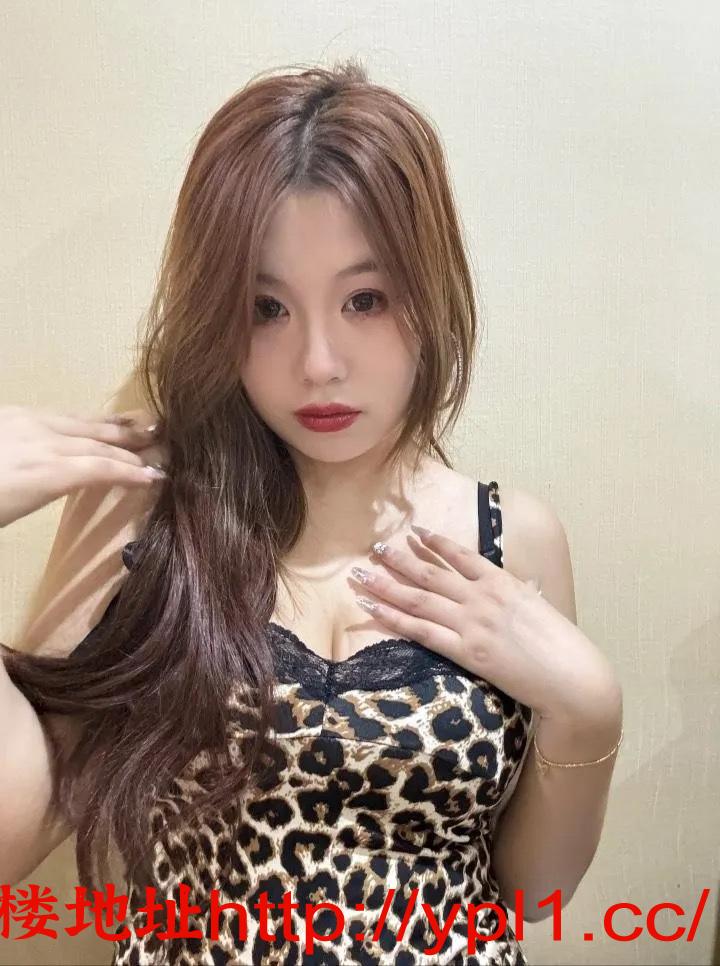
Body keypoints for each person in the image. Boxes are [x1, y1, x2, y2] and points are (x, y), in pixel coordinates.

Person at [0, 59, 623, 966]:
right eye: (266, 309)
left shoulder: (510, 540)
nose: (319, 362)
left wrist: (589, 712)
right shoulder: (145, 513)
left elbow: (532, 895)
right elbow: (13, 840)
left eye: (365, 300)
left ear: (430, 291)